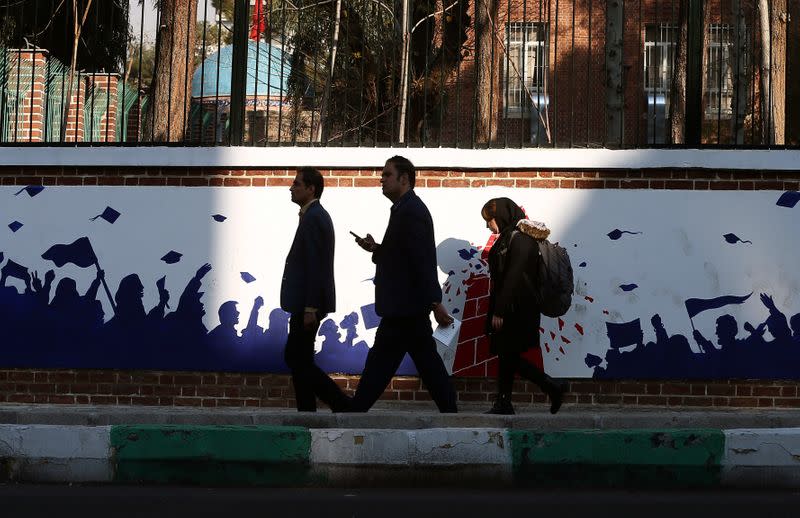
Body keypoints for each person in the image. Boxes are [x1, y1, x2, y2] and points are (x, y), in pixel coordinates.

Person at [349, 156, 457, 413]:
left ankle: (356, 410)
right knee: (419, 361)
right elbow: (402, 254)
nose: (381, 179)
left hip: (405, 306)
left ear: (404, 179)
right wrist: (375, 248)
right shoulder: (403, 208)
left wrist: (435, 302)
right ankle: (449, 409)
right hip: (404, 306)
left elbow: (422, 259)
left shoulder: (412, 211)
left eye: (387, 175)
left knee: (386, 362)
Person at [480, 197, 566, 415]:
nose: (488, 225)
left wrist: (499, 310)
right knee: (506, 355)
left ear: (500, 216)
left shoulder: (521, 240)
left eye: (489, 220)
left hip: (517, 309)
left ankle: (551, 387)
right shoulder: (508, 238)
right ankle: (505, 402)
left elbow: (513, 276)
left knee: (509, 355)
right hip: (511, 306)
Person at [280, 167, 350, 412]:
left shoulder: (314, 217)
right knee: (301, 359)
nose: (291, 188)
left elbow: (315, 265)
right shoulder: (312, 215)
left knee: (295, 358)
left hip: (307, 304)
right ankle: (307, 411)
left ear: (311, 189)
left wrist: (310, 306)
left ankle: (339, 403)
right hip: (304, 303)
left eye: (297, 184)